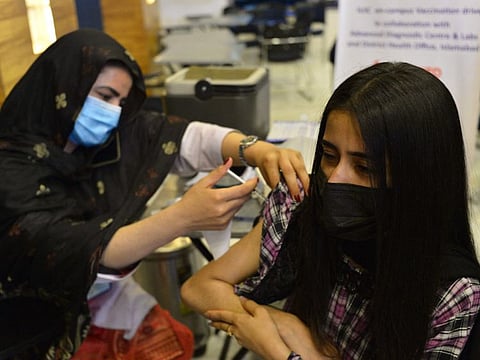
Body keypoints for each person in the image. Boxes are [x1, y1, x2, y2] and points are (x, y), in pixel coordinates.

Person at [0, 29, 309, 359]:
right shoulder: (10, 174)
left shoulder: (104, 138)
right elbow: (77, 251)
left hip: (93, 299)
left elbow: (183, 138)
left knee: (175, 340)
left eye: (121, 101)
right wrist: (182, 218)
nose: (113, 112)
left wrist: (254, 150)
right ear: (61, 86)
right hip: (24, 328)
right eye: (104, 96)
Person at [181, 62, 480, 359]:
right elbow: (201, 287)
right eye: (329, 155)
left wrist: (281, 349)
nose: (335, 179)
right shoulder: (308, 208)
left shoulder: (454, 295)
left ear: (418, 178)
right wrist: (286, 324)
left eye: (363, 167)